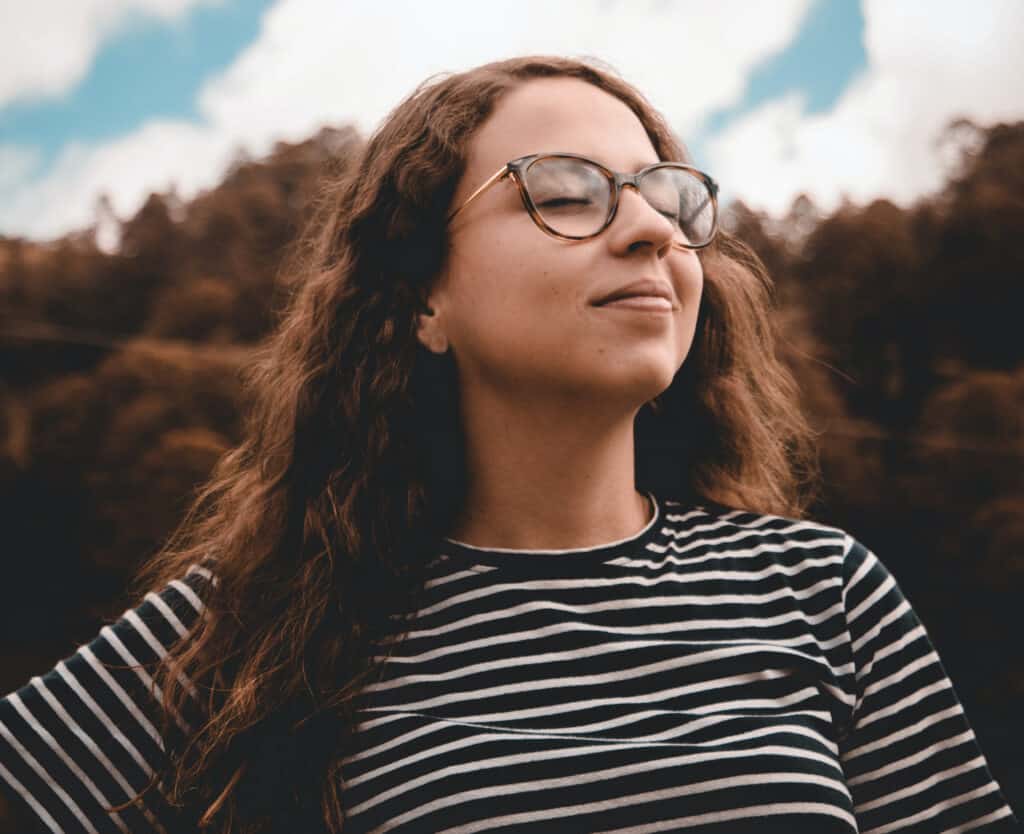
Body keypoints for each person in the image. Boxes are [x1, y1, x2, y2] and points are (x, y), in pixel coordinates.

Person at [0, 54, 1019, 834]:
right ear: (420, 298)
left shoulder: (820, 589)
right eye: (567, 192)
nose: (650, 230)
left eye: (670, 198)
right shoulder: (263, 622)